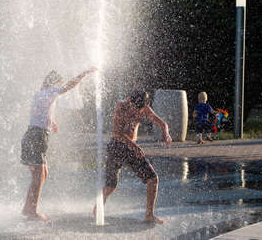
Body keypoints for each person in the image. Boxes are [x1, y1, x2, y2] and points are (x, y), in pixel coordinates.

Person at [21, 67, 97, 222]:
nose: (59, 87)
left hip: (34, 135)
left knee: (42, 174)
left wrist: (52, 122)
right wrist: (84, 73)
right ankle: (32, 211)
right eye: (58, 83)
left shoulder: (41, 94)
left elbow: (39, 113)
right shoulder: (49, 91)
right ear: (53, 82)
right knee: (39, 175)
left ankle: (28, 207)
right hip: (37, 136)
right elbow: (69, 86)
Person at [93, 90, 172, 224]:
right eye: (135, 107)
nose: (137, 111)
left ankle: (149, 215)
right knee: (111, 186)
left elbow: (161, 122)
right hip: (116, 147)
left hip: (131, 149)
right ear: (129, 100)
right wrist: (134, 146)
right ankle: (97, 208)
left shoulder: (144, 107)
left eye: (139, 109)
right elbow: (117, 133)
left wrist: (166, 132)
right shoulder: (121, 107)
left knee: (152, 179)